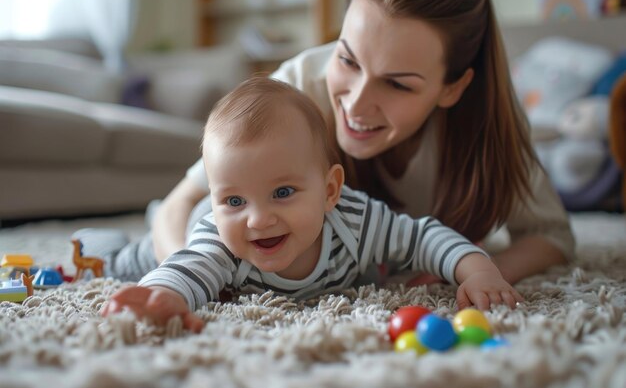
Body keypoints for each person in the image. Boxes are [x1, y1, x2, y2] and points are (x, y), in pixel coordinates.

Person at [75, 0, 574, 286]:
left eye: (397, 85)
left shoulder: (491, 124)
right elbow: (182, 201)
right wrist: (189, 271)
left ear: (452, 87)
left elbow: (550, 235)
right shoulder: (293, 89)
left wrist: (472, 271)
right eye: (347, 59)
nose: (356, 103)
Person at [101, 77, 523, 332]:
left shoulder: (355, 222)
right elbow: (185, 271)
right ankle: (110, 242)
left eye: (282, 193)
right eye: (233, 199)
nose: (258, 219)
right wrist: (163, 296)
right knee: (132, 260)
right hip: (192, 230)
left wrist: (478, 269)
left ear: (329, 191)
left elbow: (421, 237)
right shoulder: (221, 237)